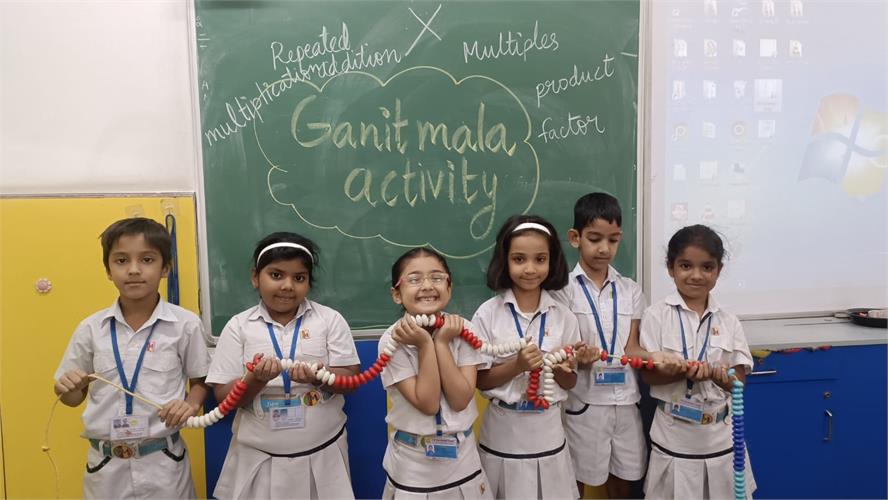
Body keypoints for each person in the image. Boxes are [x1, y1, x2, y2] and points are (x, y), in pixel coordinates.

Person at [53, 217, 211, 498]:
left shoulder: (185, 325)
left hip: (163, 462)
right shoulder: (91, 328)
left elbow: (201, 381)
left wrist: (190, 404)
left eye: (147, 260)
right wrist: (67, 388)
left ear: (166, 268)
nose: (134, 270)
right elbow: (71, 398)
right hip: (106, 465)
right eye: (121, 260)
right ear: (108, 270)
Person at [206, 232, 361, 499]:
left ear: (309, 282)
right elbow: (223, 397)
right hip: (258, 458)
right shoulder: (239, 326)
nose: (288, 286)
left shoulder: (329, 320)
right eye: (276, 275)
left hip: (324, 454)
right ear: (256, 277)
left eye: (299, 278)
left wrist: (319, 377)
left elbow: (351, 379)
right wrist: (255, 380)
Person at [639, 224, 756, 499]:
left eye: (707, 267)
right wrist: (683, 371)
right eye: (685, 266)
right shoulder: (656, 316)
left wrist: (717, 375)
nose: (696, 275)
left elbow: (739, 381)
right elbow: (648, 376)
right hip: (673, 440)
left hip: (721, 442)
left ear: (718, 270)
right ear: (670, 268)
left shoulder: (728, 321)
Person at [472, 215, 581, 499]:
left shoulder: (564, 317)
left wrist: (560, 370)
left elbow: (570, 382)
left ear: (552, 261)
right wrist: (517, 365)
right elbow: (480, 380)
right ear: (504, 260)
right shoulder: (487, 314)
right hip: (503, 434)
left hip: (548, 433)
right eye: (519, 259)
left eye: (540, 259)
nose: (530, 269)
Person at [555, 193, 651, 498]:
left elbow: (631, 347)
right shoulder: (563, 291)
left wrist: (659, 358)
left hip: (627, 401)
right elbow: (560, 350)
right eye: (594, 239)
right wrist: (577, 356)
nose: (604, 248)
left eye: (613, 240)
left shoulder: (630, 290)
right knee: (577, 481)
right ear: (575, 238)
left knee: (624, 480)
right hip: (585, 401)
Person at [379, 247, 492, 499]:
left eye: (437, 277)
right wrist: (424, 345)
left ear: (449, 288)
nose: (427, 286)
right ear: (396, 294)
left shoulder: (465, 330)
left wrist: (442, 342)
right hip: (413, 462)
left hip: (462, 458)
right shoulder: (392, 340)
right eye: (414, 279)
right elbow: (428, 403)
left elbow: (460, 399)